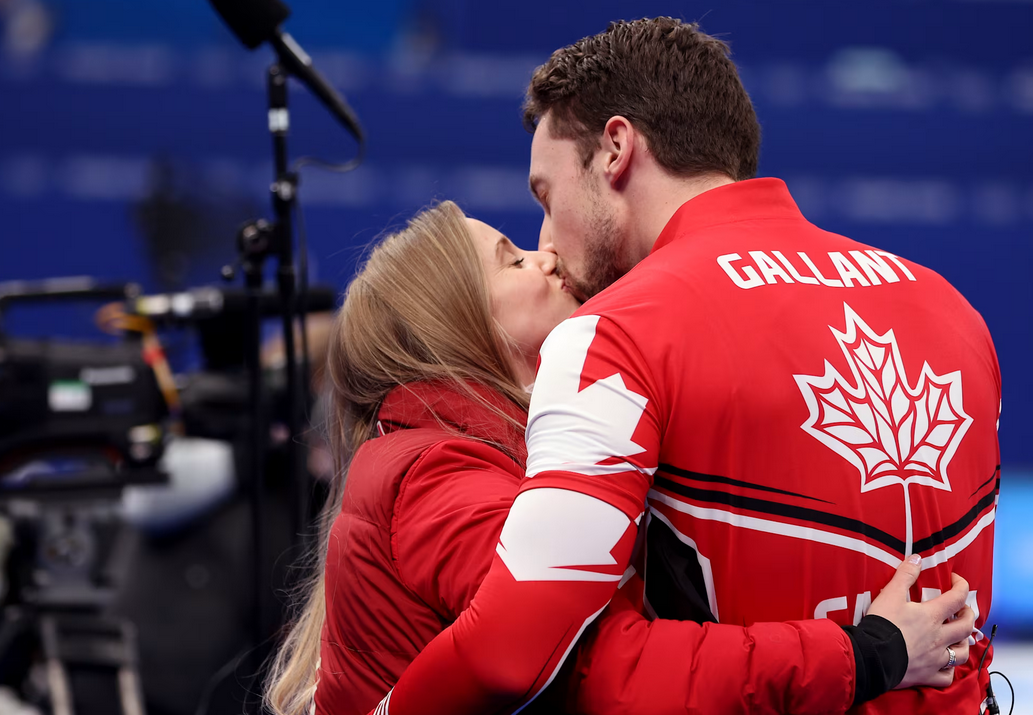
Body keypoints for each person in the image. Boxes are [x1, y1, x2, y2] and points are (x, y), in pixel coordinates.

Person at [377, 17, 1000, 715]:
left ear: (615, 150)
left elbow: (509, 651)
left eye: (546, 197)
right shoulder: (952, 308)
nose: (546, 242)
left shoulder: (613, 334)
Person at [266, 201, 976, 715]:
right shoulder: (441, 472)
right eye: (513, 259)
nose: (546, 255)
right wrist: (866, 652)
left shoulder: (444, 451)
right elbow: (609, 673)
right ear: (454, 324)